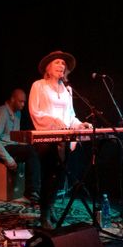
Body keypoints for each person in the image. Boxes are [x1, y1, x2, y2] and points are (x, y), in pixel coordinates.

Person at [28, 50, 92, 229]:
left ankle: (50, 206)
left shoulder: (68, 90)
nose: (61, 66)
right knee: (50, 173)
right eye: (57, 62)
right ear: (48, 67)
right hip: (45, 138)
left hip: (64, 138)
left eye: (63, 64)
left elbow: (70, 115)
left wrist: (80, 124)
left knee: (60, 174)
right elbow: (35, 112)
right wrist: (53, 121)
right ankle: (44, 214)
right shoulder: (38, 86)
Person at [0, 88, 41, 203]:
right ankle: (32, 192)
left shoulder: (17, 113)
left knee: (35, 148)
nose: (23, 104)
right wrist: (8, 159)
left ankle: (35, 190)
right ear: (12, 99)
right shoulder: (1, 112)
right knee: (30, 151)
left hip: (10, 146)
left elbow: (14, 138)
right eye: (20, 101)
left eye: (24, 102)